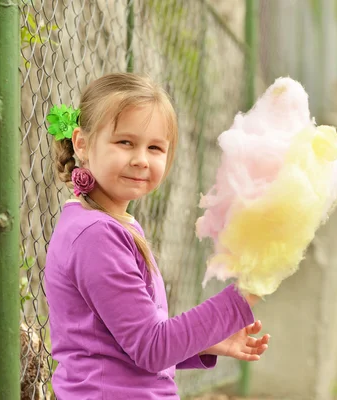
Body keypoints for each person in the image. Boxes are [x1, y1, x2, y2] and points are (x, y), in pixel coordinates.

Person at [44, 72, 270, 399]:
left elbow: (125, 344)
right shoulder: (96, 235)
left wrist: (207, 342)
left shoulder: (114, 224)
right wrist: (245, 294)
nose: (140, 160)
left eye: (155, 148)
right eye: (125, 142)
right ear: (82, 143)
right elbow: (152, 347)